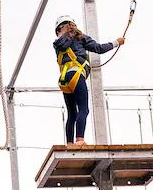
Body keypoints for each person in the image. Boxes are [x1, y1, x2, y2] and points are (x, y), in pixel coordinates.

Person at [53, 15, 124, 147]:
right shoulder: (80, 37)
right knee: (83, 109)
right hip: (77, 75)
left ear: (58, 31)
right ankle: (79, 140)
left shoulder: (57, 44)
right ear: (73, 25)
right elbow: (99, 48)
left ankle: (69, 143)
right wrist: (117, 42)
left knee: (72, 113)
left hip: (65, 80)